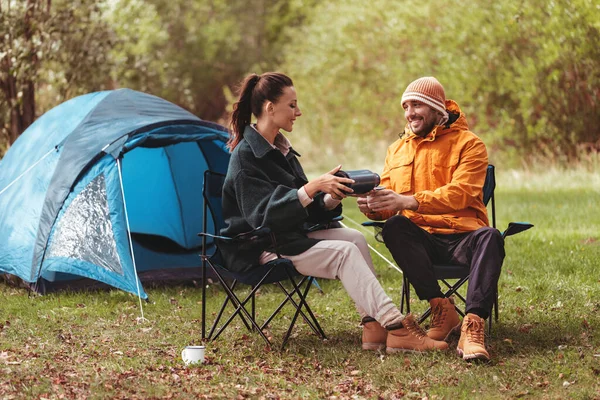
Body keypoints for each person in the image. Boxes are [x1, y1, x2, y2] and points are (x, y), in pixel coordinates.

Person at [220, 72, 448, 353]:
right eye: (292, 105)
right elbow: (262, 218)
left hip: (287, 236)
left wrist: (327, 198)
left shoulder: (282, 150)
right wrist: (312, 187)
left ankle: (373, 327)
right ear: (270, 108)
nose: (298, 112)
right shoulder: (246, 157)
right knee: (344, 253)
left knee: (354, 238)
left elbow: (302, 209)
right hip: (258, 246)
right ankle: (397, 327)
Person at [358, 77, 504, 362]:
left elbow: (461, 193)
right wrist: (373, 206)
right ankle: (441, 308)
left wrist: (410, 201)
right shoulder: (397, 149)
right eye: (406, 106)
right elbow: (389, 202)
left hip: (463, 236)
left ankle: (472, 327)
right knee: (395, 226)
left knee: (491, 236)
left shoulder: (470, 144)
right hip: (422, 239)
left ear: (438, 109)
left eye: (417, 105)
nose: (410, 112)